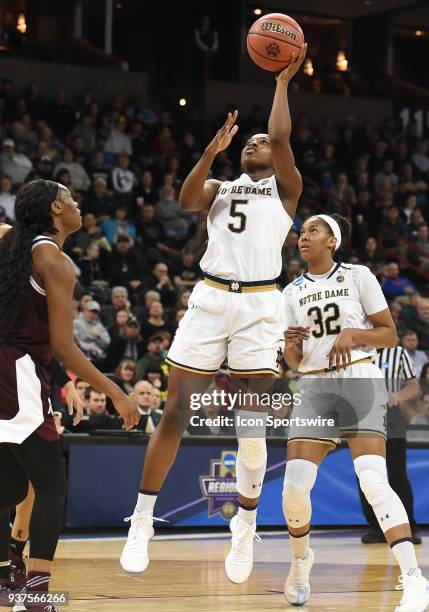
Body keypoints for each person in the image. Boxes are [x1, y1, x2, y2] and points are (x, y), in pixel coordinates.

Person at [120, 46, 306, 583]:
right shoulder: (221, 187)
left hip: (260, 305)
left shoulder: (286, 193)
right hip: (210, 298)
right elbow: (183, 200)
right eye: (247, 142)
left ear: (272, 156)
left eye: (260, 142)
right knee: (176, 410)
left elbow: (281, 137)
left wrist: (279, 85)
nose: (255, 143)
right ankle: (143, 521)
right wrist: (208, 151)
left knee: (251, 432)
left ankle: (244, 528)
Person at [0, 180, 139, 611]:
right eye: (73, 199)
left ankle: (7, 579)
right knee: (50, 484)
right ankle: (37, 595)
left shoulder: (11, 242)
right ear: (57, 210)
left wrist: (62, 382)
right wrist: (116, 391)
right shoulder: (54, 261)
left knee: (7, 483)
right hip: (14, 372)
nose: (80, 205)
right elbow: (63, 345)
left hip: (12, 366)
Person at [282, 213, 428, 610]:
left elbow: (388, 333)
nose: (303, 237)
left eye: (314, 230)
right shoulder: (290, 292)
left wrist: (354, 333)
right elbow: (294, 359)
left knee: (374, 481)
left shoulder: (358, 275)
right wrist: (290, 345)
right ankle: (300, 561)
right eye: (301, 232)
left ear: (333, 240)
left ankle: (414, 579)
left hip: (359, 377)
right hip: (313, 383)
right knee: (294, 485)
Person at [359, 344, 421, 544]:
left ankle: (407, 527)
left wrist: (398, 396)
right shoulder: (355, 350)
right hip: (363, 414)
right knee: (367, 472)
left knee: (396, 474)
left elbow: (413, 385)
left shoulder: (398, 352)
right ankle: (376, 528)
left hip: (391, 414)